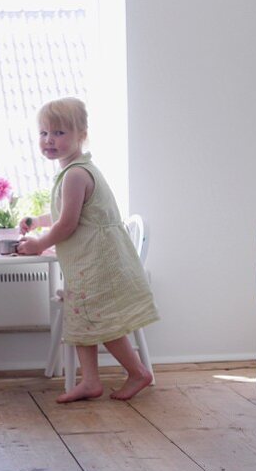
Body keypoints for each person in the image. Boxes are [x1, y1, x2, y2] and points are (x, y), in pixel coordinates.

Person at [17, 97, 159, 403]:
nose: (49, 140)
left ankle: (137, 372)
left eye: (59, 133)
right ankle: (90, 381)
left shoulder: (76, 175)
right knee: (81, 316)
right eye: (44, 133)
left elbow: (67, 224)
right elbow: (67, 214)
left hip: (98, 262)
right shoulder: (73, 171)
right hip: (90, 261)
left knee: (102, 321)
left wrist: (39, 244)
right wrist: (37, 220)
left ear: (81, 134)